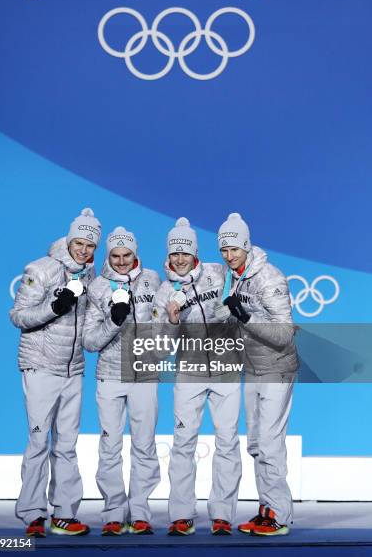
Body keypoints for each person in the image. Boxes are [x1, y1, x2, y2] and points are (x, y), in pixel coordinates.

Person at [10, 208, 102, 537]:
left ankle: (64, 512)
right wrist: (53, 307)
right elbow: (18, 316)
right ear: (69, 240)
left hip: (73, 368)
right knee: (38, 441)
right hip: (41, 366)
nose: (84, 250)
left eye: (90, 245)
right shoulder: (42, 269)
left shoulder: (92, 277)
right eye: (79, 242)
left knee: (66, 444)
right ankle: (33, 513)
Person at [153, 218, 242, 537]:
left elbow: (246, 277)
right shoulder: (164, 292)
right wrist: (172, 321)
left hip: (226, 369)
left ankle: (222, 515)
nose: (179, 259)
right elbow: (160, 349)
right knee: (182, 442)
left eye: (185, 253)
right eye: (174, 254)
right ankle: (180, 514)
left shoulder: (218, 273)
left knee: (228, 442)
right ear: (168, 255)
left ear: (195, 254)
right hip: (188, 372)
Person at [218, 212, 298, 536]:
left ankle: (279, 516)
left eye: (234, 249)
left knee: (270, 442)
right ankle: (267, 508)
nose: (228, 255)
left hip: (277, 368)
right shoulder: (233, 276)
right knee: (256, 443)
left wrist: (246, 317)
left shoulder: (269, 278)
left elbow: (284, 334)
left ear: (247, 246)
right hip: (252, 368)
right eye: (223, 250)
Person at [83, 226, 161, 536]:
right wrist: (114, 322)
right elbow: (89, 341)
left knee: (144, 445)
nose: (121, 261)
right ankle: (113, 513)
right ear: (108, 256)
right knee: (110, 447)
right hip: (110, 376)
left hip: (144, 375)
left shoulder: (153, 280)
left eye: (126, 255)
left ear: (135, 254)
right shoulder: (98, 287)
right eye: (115, 256)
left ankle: (140, 512)